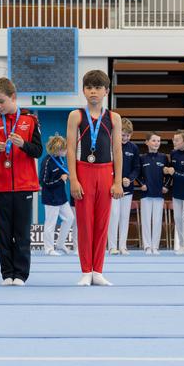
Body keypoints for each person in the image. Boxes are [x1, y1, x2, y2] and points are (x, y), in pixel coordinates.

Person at [67, 70, 123, 286]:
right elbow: (71, 149)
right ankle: (85, 270)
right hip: (83, 172)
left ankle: (98, 270)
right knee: (85, 223)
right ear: (83, 91)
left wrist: (118, 181)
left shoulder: (114, 118)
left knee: (102, 224)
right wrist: (73, 179)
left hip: (105, 172)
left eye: (98, 88)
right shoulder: (76, 116)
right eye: (89, 87)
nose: (93, 91)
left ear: (106, 92)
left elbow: (117, 151)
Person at [0, 77, 42, 286]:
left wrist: (24, 144)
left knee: (21, 232)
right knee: (2, 232)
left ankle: (20, 274)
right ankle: (6, 273)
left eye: (1, 101)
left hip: (24, 185)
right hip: (0, 185)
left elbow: (38, 151)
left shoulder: (30, 120)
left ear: (13, 97)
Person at [108, 118, 139, 256]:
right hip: (113, 188)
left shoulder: (133, 148)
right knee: (114, 216)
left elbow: (136, 167)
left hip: (128, 189)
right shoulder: (110, 146)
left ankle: (123, 246)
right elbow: (107, 166)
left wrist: (130, 179)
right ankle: (112, 246)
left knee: (124, 217)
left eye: (127, 135)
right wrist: (116, 180)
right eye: (122, 134)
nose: (125, 137)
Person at [40, 135, 75, 256]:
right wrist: (60, 180)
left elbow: (63, 172)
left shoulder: (61, 159)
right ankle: (49, 248)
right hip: (50, 198)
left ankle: (60, 244)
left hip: (61, 196)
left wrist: (67, 176)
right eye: (64, 149)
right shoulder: (47, 162)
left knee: (70, 218)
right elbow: (44, 182)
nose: (66, 151)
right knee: (51, 223)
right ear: (57, 149)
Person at [138, 131, 171, 255]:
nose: (156, 143)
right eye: (154, 140)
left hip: (159, 194)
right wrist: (141, 184)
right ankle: (147, 246)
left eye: (158, 141)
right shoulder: (142, 158)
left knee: (157, 221)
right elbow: (137, 174)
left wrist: (166, 186)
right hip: (146, 194)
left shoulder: (164, 157)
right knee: (146, 220)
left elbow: (168, 175)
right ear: (147, 142)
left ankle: (155, 246)